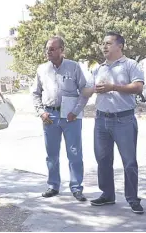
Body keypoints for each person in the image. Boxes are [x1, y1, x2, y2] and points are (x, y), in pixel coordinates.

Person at [82, 32, 144, 214]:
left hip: (124, 120)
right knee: (103, 159)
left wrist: (113, 87)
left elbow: (139, 87)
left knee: (129, 162)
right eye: (103, 44)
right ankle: (107, 194)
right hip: (101, 120)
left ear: (120, 46)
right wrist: (91, 89)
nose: (104, 46)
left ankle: (132, 198)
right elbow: (87, 90)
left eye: (108, 43)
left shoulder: (130, 65)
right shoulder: (98, 68)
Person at [31, 36, 88, 201]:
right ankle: (53, 185)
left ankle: (76, 188)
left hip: (71, 117)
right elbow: (35, 93)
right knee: (52, 154)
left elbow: (84, 91)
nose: (48, 51)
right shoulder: (42, 69)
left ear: (62, 50)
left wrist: (76, 111)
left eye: (52, 48)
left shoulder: (74, 67)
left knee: (74, 153)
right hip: (50, 116)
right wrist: (41, 112)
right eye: (47, 48)